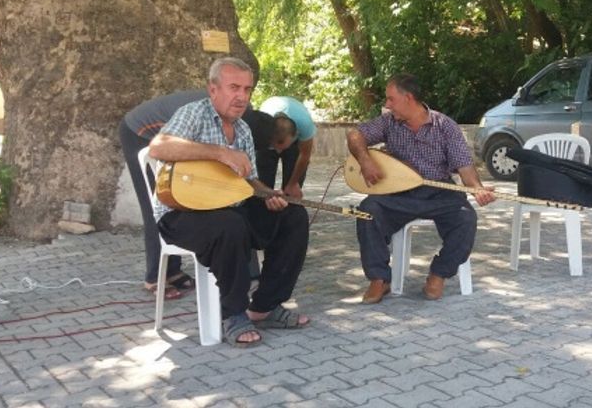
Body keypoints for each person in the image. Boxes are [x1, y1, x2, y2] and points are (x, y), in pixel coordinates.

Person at [149, 57, 310, 347]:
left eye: (247, 89)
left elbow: (249, 184)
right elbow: (159, 147)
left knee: (293, 217)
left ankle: (264, 306)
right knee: (230, 225)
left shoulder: (244, 130)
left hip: (230, 205)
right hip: (180, 212)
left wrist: (268, 195)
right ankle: (233, 313)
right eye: (234, 87)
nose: (242, 97)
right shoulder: (194, 114)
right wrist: (219, 153)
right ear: (213, 89)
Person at [346, 74, 495, 304]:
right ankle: (379, 279)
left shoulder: (445, 126)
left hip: (439, 192)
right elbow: (355, 135)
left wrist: (477, 189)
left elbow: (465, 167)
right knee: (367, 211)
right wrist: (366, 161)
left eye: (391, 99)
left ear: (409, 98)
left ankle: (439, 274)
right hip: (398, 193)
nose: (386, 105)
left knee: (466, 219)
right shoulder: (388, 122)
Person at [119, 89, 207, 299]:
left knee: (174, 201)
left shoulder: (238, 115)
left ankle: (173, 271)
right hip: (137, 132)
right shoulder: (203, 117)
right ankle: (153, 278)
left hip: (166, 135)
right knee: (155, 205)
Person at [257, 96, 317, 199]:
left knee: (291, 191)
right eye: (275, 147)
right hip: (267, 133)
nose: (278, 151)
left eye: (281, 147)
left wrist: (293, 184)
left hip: (294, 139)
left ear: (295, 135)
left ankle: (288, 211)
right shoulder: (262, 123)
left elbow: (305, 155)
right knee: (263, 188)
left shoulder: (305, 124)